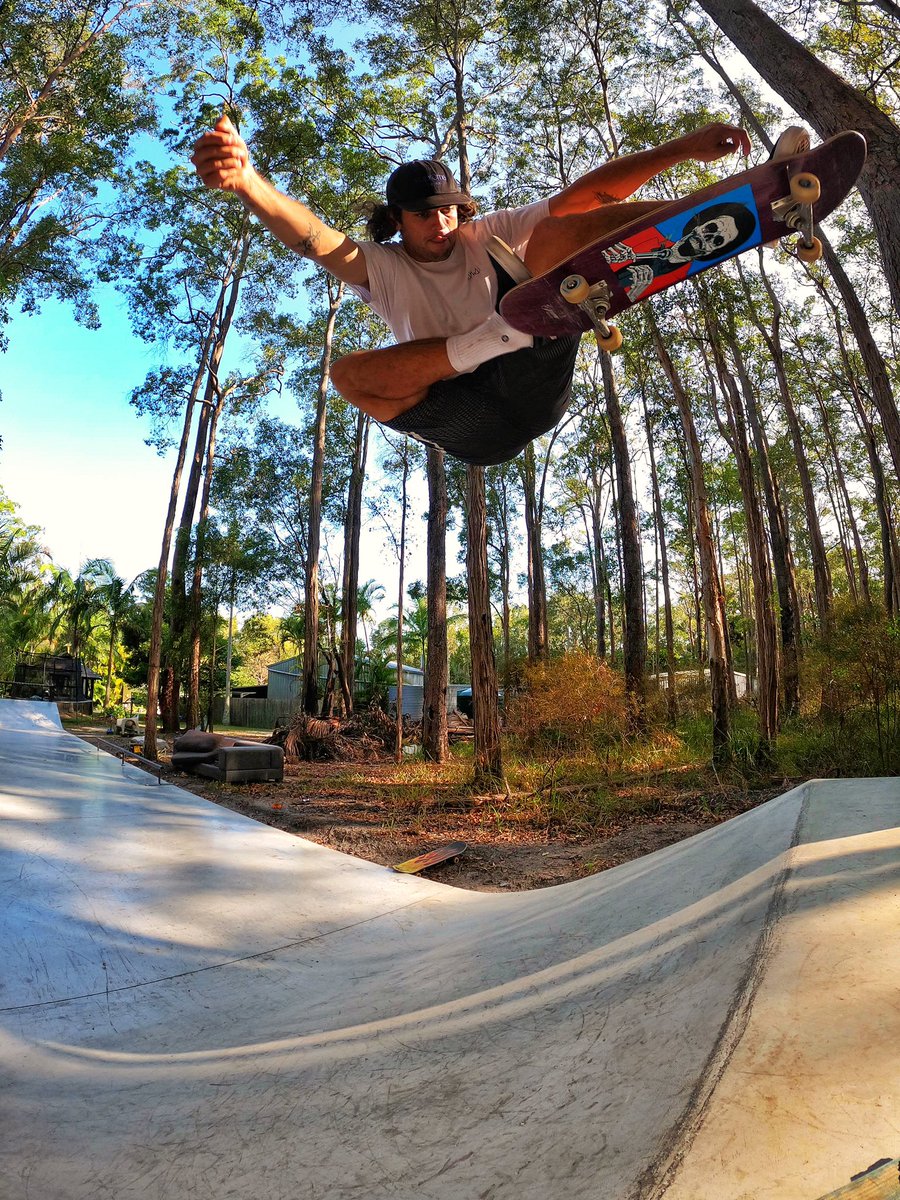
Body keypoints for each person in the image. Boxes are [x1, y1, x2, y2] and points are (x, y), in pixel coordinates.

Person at [191, 115, 754, 465]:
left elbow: (585, 198)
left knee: (556, 228)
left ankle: (724, 209)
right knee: (348, 376)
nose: (439, 225)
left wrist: (681, 149)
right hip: (469, 421)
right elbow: (317, 240)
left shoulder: (485, 233)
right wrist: (248, 183)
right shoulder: (382, 268)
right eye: (422, 215)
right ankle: (495, 336)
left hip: (534, 376)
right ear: (396, 219)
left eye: (447, 212)